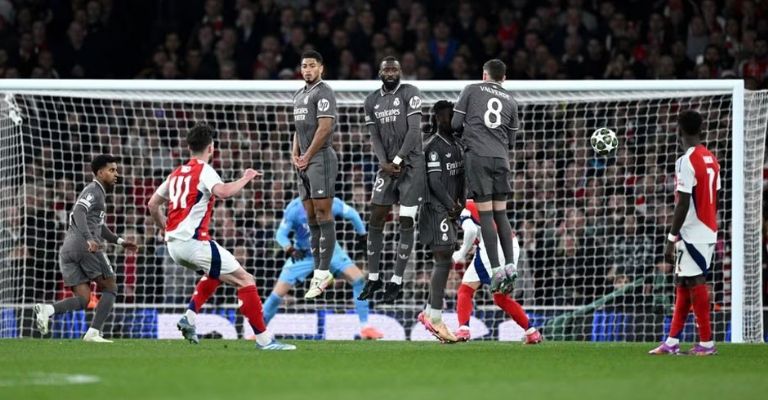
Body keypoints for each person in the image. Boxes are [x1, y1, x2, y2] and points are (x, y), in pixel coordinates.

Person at [147, 124, 295, 350]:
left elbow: (152, 204)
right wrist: (246, 177)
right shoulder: (204, 170)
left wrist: (164, 228)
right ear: (211, 148)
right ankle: (264, 340)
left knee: (215, 274)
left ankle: (189, 317)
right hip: (194, 242)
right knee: (246, 280)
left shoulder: (175, 174)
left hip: (174, 246)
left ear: (189, 147)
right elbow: (223, 192)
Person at [34, 155, 138, 342]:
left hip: (68, 248)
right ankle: (94, 332)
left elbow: (99, 226)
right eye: (112, 170)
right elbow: (78, 211)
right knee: (111, 287)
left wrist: (120, 241)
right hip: (85, 246)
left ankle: (48, 310)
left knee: (84, 299)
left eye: (116, 170)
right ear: (100, 173)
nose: (116, 174)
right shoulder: (93, 190)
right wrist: (89, 238)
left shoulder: (99, 194)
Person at [649, 110, 720, 356]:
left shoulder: (685, 160)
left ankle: (707, 343)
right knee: (682, 281)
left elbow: (683, 202)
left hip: (692, 231)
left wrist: (671, 238)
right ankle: (672, 341)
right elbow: (714, 196)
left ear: (679, 129)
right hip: (706, 228)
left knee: (695, 282)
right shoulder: (711, 158)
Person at [265, 197, 383, 339]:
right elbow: (280, 235)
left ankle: (365, 327)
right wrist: (290, 249)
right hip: (305, 255)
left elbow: (353, 214)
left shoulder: (331, 202)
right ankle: (259, 330)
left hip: (331, 251)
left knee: (358, 279)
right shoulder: (294, 209)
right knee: (277, 293)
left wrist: (363, 235)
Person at [358, 56, 424, 303]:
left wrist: (397, 159)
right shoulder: (371, 101)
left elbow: (414, 131)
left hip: (412, 166)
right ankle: (374, 277)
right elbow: (374, 136)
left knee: (406, 220)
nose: (390, 72)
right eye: (386, 69)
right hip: (387, 167)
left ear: (400, 72)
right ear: (380, 72)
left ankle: (396, 281)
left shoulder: (410, 92)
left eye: (394, 69)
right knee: (376, 217)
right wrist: (383, 162)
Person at [451, 58, 520, 290]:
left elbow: (455, 124)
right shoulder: (511, 101)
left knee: (486, 215)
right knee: (501, 213)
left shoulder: (471, 89)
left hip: (478, 158)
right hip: (501, 159)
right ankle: (510, 265)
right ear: (504, 79)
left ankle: (496, 270)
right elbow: (512, 140)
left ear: (484, 75)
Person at [451, 200, 542, 344]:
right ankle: (531, 332)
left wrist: (461, 253)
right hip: (511, 246)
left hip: (492, 248)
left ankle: (463, 330)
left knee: (465, 290)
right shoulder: (477, 205)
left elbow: (471, 231)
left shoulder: (463, 207)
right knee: (500, 298)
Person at [415, 101, 465, 343]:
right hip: (436, 208)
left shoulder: (457, 144)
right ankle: (434, 317)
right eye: (446, 116)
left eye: (453, 116)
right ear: (436, 119)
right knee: (443, 258)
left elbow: (461, 177)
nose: (450, 121)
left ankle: (430, 313)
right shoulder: (433, 146)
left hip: (451, 209)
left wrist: (461, 202)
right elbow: (434, 182)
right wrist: (451, 205)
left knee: (445, 258)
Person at [291, 50, 339, 299]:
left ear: (321, 68)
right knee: (310, 215)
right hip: (304, 161)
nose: (307, 70)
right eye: (304, 66)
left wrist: (307, 155)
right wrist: (295, 153)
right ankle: (318, 271)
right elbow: (298, 129)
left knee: (323, 212)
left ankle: (323, 272)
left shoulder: (324, 92)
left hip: (320, 158)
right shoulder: (299, 95)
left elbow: (325, 127)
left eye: (312, 65)